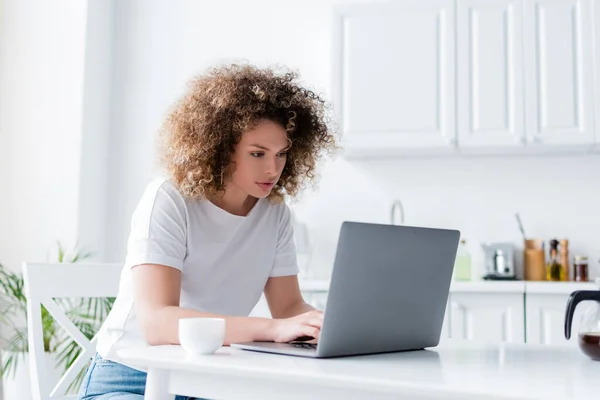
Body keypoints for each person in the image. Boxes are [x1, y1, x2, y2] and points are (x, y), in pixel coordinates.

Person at [77, 64, 338, 400]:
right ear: (220, 147)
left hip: (210, 380)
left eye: (282, 154)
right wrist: (273, 330)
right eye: (257, 153)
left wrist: (331, 325)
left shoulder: (274, 213)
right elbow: (158, 323)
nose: (272, 168)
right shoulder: (170, 199)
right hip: (131, 378)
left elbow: (288, 308)